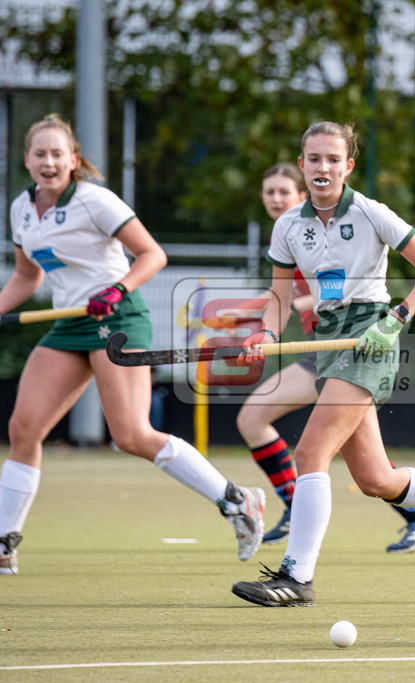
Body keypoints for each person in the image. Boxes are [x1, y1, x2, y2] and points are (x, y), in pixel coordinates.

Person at [230, 120, 415, 607]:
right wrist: (265, 333)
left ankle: (296, 579)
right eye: (314, 159)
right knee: (375, 479)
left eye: (333, 160)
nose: (323, 168)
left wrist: (396, 319)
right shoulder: (288, 226)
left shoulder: (369, 211)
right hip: (328, 339)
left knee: (310, 454)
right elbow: (279, 298)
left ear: (348, 166)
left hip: (371, 336)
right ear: (302, 165)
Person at [0, 114, 265, 575]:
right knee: (24, 429)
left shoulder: (94, 201)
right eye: (40, 154)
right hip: (69, 324)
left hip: (116, 318)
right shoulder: (21, 209)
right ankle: (4, 543)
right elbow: (27, 276)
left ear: (73, 159)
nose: (48, 162)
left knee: (131, 435)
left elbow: (152, 254)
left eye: (57, 154)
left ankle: (237, 501)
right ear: (27, 160)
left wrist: (116, 290)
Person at [230, 163, 415, 553]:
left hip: (349, 348)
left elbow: (335, 286)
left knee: (276, 429)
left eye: (284, 192)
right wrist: (248, 317)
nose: (276, 200)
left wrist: (301, 302)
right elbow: (279, 296)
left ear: (303, 196)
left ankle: (297, 532)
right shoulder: (289, 234)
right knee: (370, 468)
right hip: (324, 351)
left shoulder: (334, 227)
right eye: (269, 193)